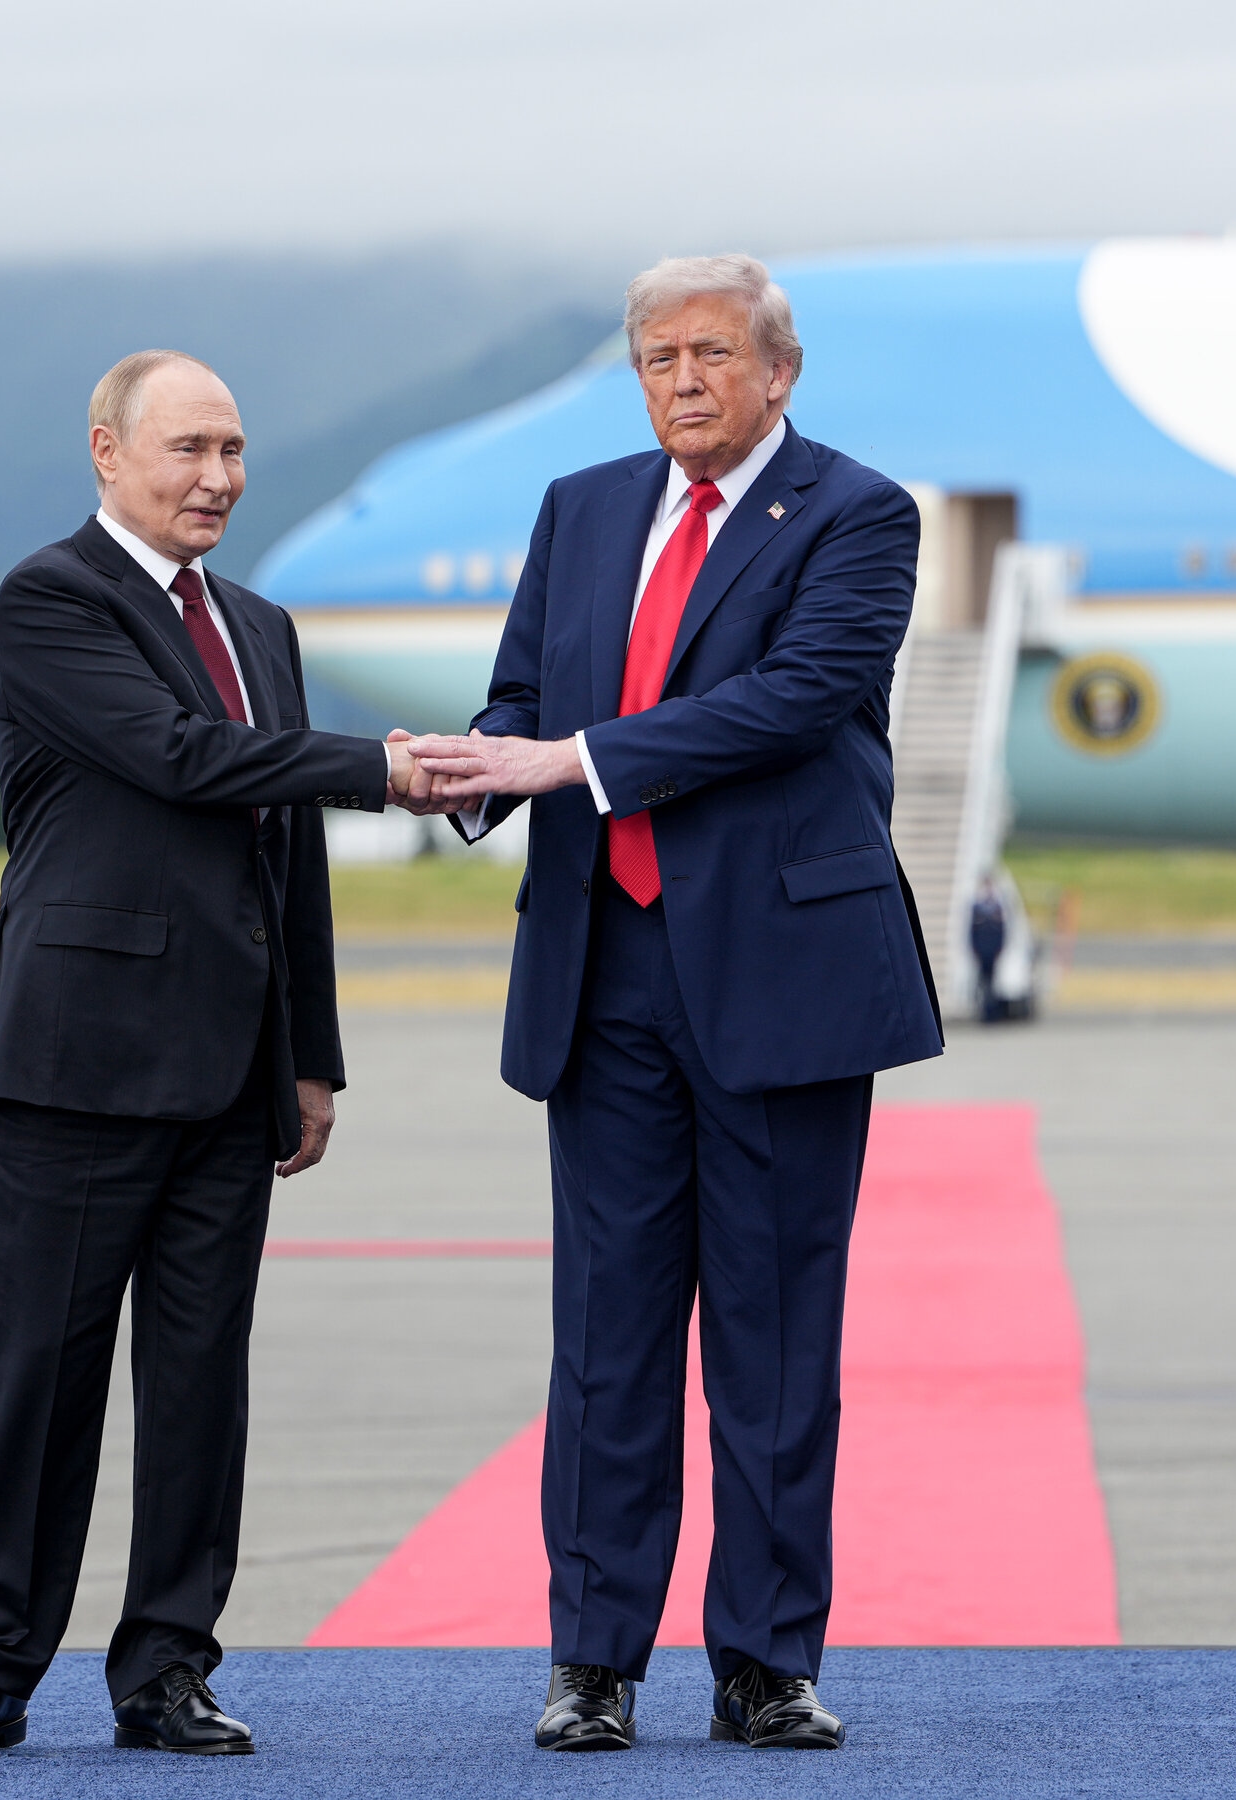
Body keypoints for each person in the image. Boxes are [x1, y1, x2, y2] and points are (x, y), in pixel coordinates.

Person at [406, 256, 943, 1752]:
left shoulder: (857, 514)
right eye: (658, 357)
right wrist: (475, 769)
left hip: (781, 975)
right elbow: (525, 696)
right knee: (606, 1338)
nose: (684, 380)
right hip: (603, 970)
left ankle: (765, 1663)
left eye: (712, 352)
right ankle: (594, 1662)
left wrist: (571, 760)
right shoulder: (581, 508)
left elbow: (795, 698)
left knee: (773, 1340)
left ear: (780, 371)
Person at [0, 349, 424, 1759]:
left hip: (230, 1071)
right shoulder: (52, 597)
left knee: (200, 1384)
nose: (218, 477)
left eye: (234, 450)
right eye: (189, 448)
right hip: (74, 1062)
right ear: (107, 452)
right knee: (42, 1382)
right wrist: (378, 766)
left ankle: (168, 1669)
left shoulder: (260, 624)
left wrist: (310, 1056)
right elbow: (181, 757)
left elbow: (287, 860)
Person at [969, 877, 1008, 1024]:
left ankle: (991, 1012)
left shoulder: (997, 907)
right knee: (983, 983)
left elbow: (1002, 931)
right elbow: (972, 932)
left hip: (992, 951)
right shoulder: (977, 907)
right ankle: (985, 1012)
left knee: (991, 983)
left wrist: (1000, 948)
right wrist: (974, 948)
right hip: (982, 951)